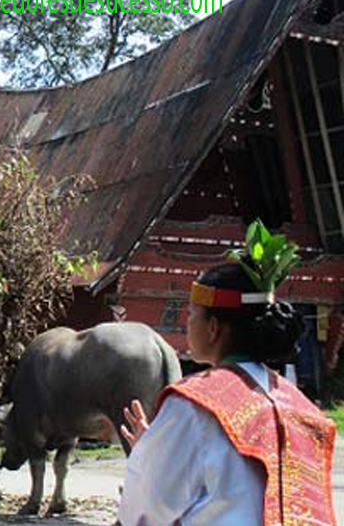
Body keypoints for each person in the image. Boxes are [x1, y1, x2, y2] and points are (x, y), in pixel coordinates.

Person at [118, 225, 336, 526]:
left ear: (213, 327)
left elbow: (148, 509)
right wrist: (157, 447)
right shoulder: (303, 410)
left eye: (192, 313)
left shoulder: (195, 405)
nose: (186, 322)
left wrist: (149, 455)